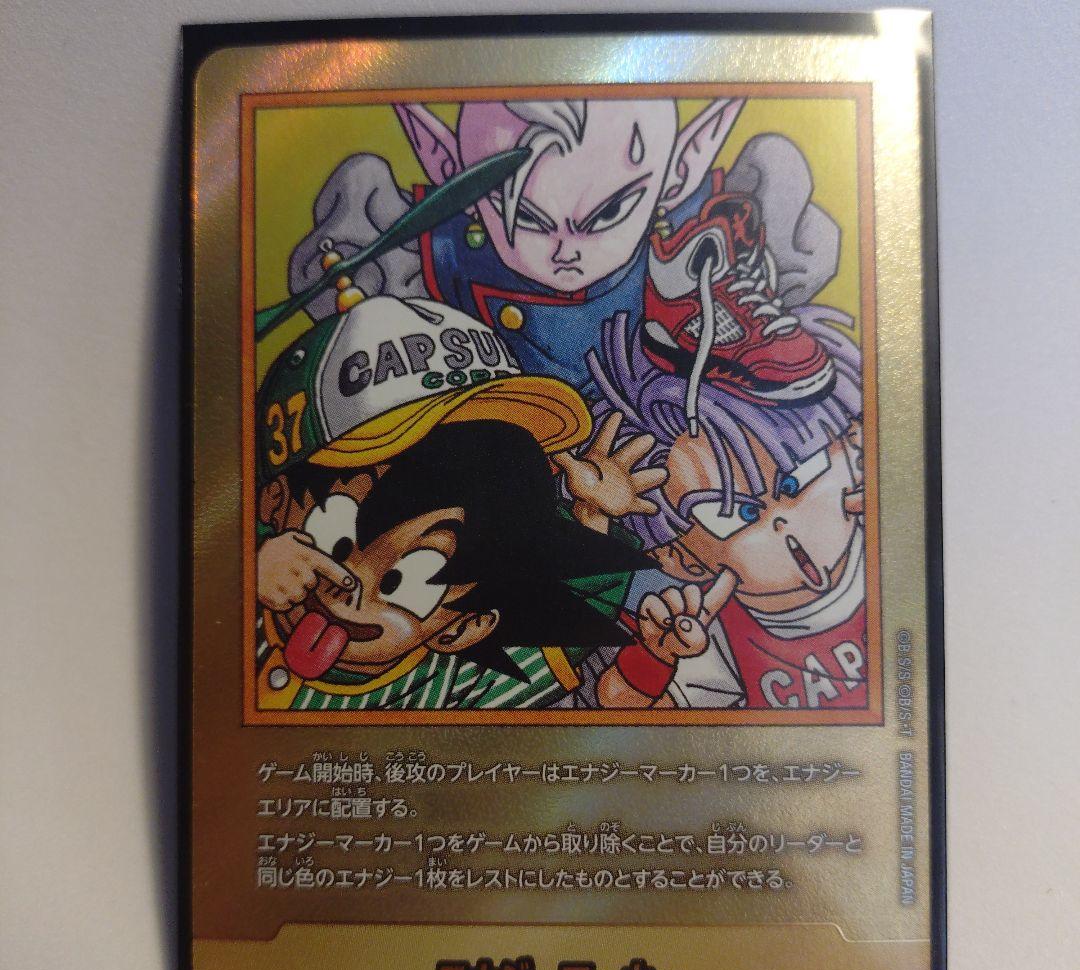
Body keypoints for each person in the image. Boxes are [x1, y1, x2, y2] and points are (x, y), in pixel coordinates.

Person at [253, 295, 664, 711]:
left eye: (403, 583)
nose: (350, 589)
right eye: (337, 544)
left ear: (468, 627)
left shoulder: (458, 683)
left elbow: (574, 613)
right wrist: (253, 566)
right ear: (276, 499)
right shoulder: (244, 578)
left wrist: (592, 518)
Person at [288, 98, 845, 402]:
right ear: (444, 165)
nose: (563, 252)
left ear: (682, 166)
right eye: (528, 221)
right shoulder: (430, 253)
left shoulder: (702, 235)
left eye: (607, 214)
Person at [583, 312, 868, 712]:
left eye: (795, 482)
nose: (779, 520)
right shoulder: (709, 635)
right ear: (682, 560)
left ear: (850, 450)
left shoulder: (885, 557)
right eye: (737, 516)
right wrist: (656, 657)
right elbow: (616, 704)